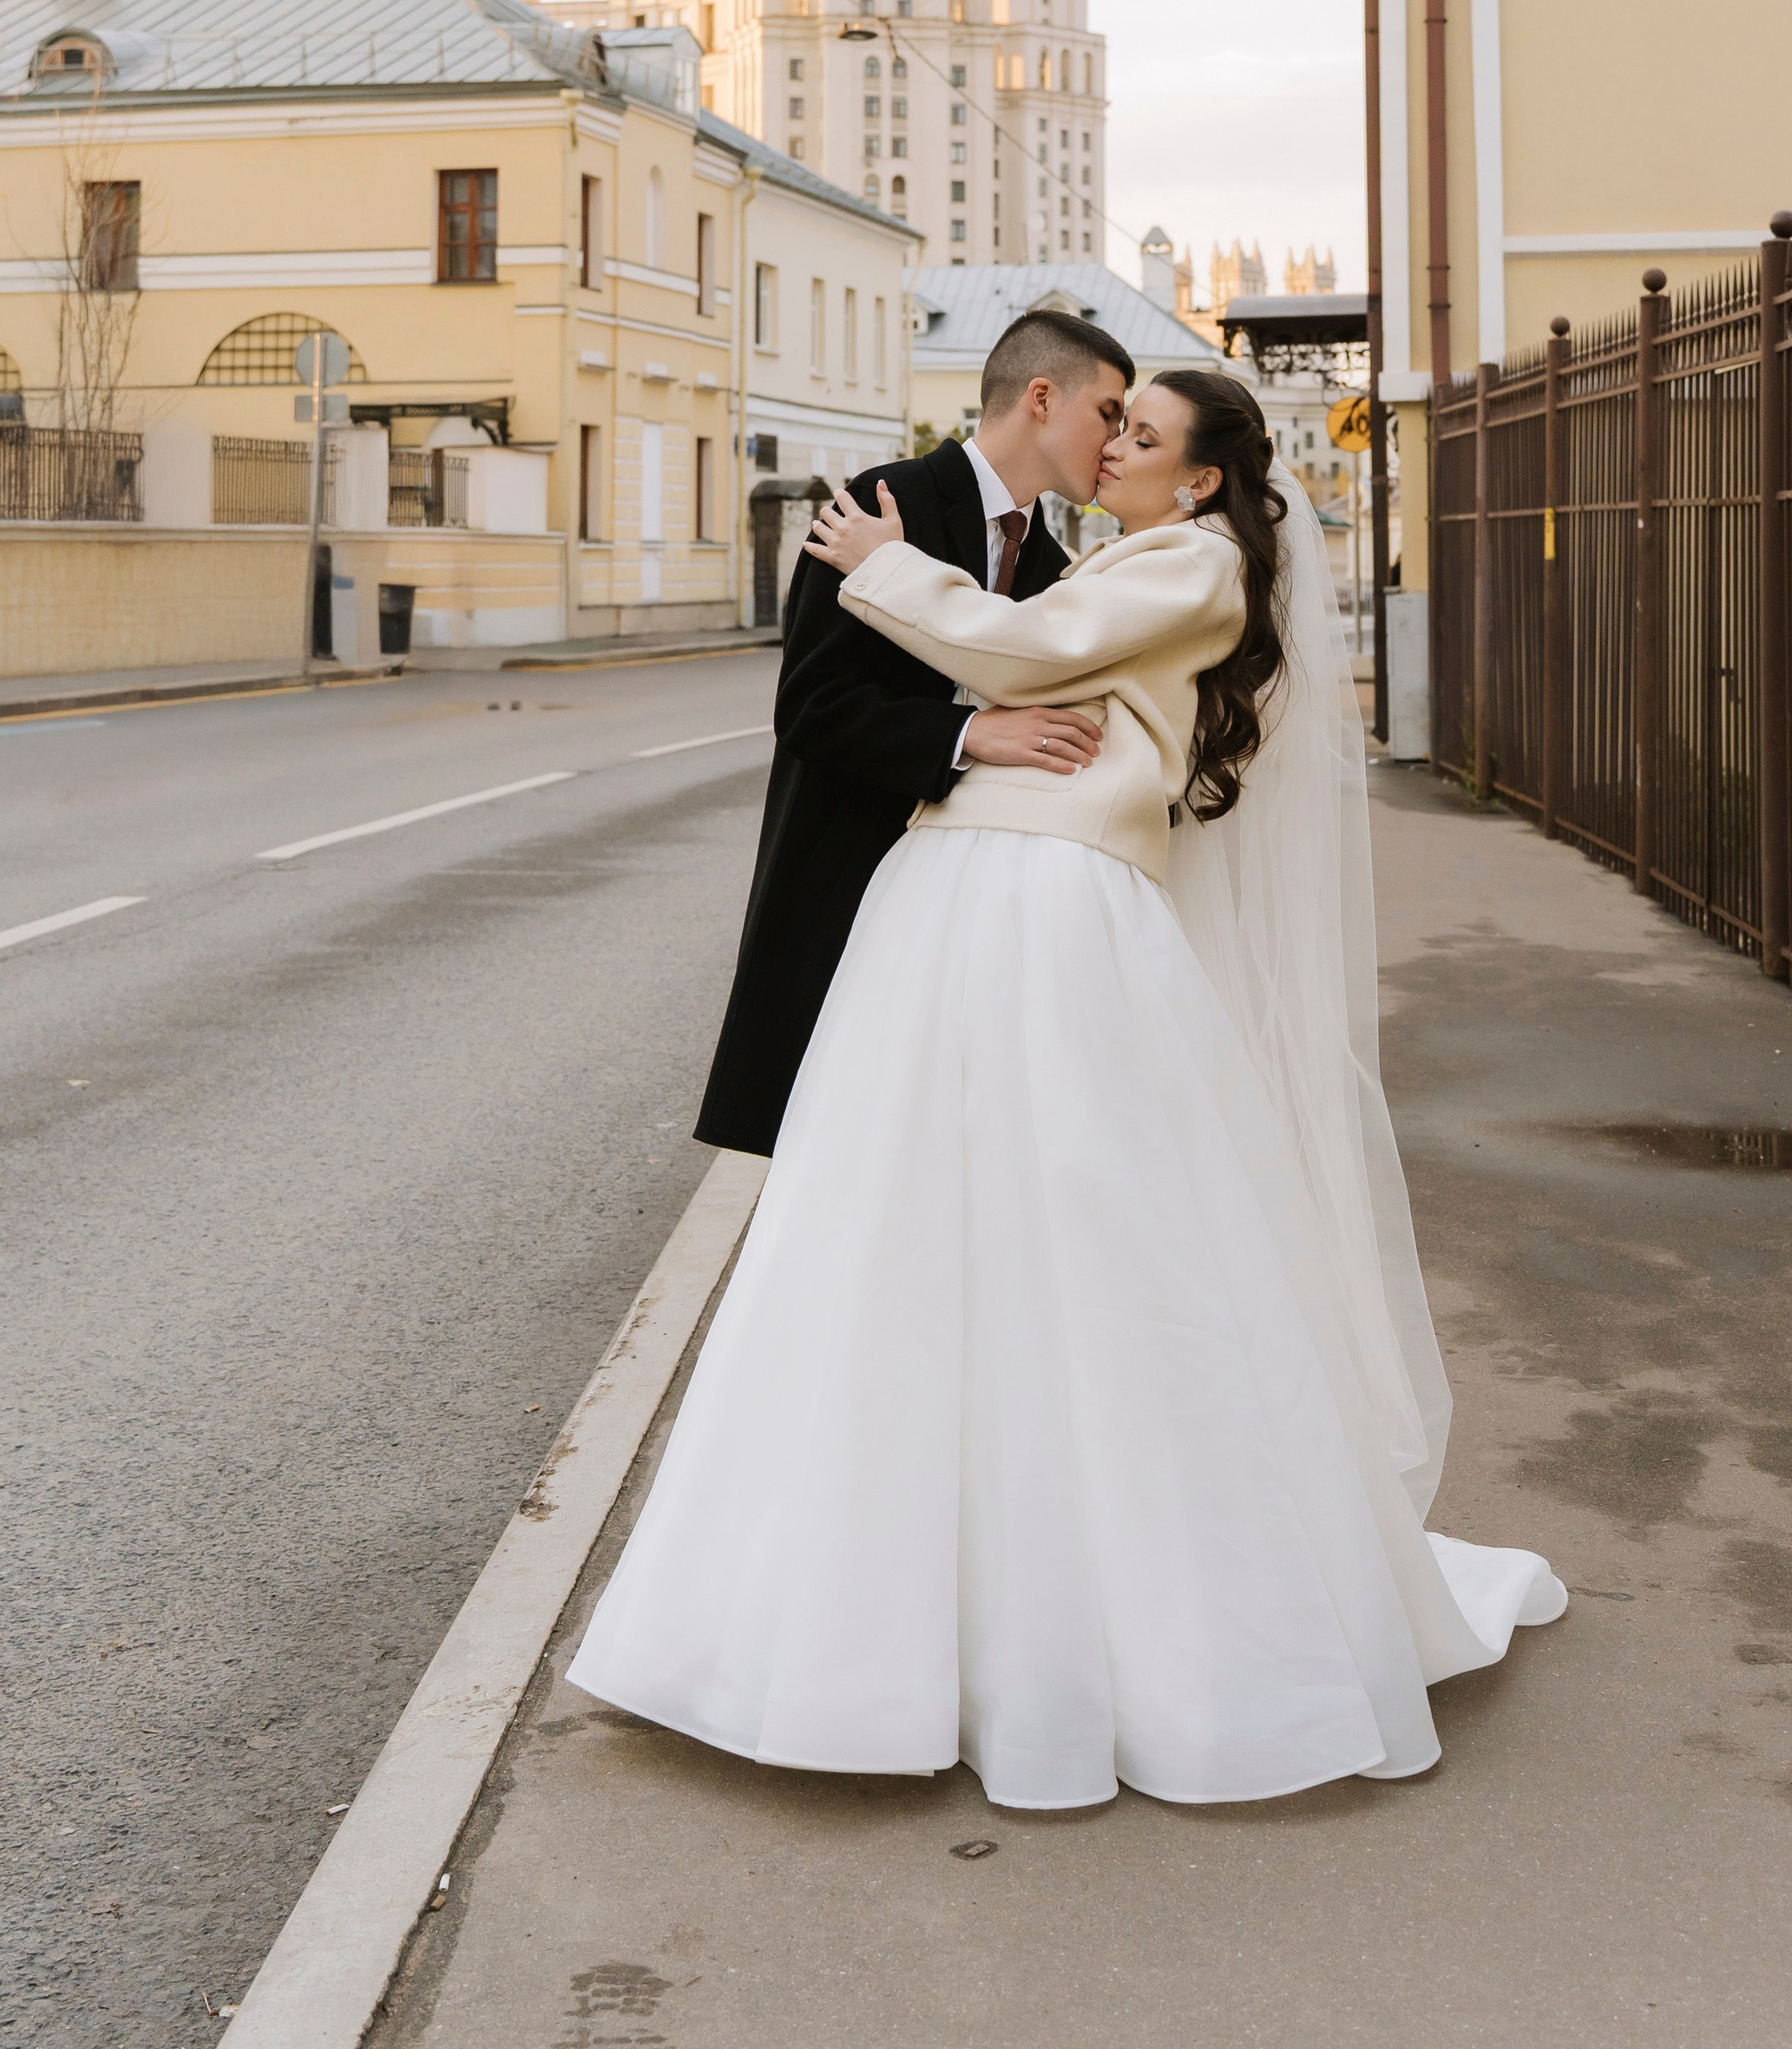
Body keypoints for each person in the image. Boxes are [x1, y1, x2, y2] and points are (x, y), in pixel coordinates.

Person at [571, 366, 1565, 1810]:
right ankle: (884, 1625)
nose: (1116, 449)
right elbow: (1006, 672)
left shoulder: (1195, 567)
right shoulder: (1141, 549)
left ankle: (1077, 1639)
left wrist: (882, 567)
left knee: (1081, 1245)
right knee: (913, 1244)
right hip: (976, 890)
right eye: (1116, 425)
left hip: (1049, 904)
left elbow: (1032, 652)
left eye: (1145, 437)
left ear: (1207, 478)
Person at [693, 307, 1135, 1158]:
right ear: (1041, 397)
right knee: (836, 1141)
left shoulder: (1050, 567)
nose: (1114, 442)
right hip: (846, 880)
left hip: (975, 909)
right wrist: (969, 736)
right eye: (1108, 413)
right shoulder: (881, 504)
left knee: (947, 1144)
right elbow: (813, 706)